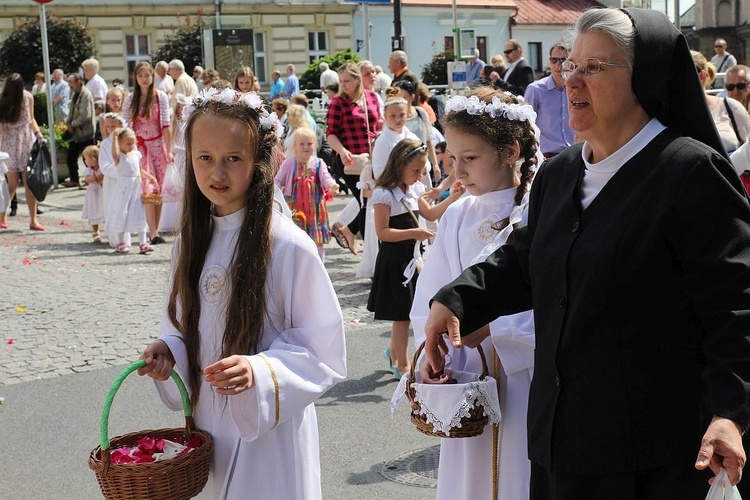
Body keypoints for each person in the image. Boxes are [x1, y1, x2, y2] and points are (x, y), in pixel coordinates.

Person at [423, 8, 750, 497]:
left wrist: (731, 413)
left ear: (644, 78)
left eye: (594, 67)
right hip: (561, 442)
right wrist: (456, 299)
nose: (571, 80)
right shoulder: (560, 173)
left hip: (651, 453)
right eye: (568, 65)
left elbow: (735, 305)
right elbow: (525, 257)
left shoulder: (687, 172)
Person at [136, 89, 346, 499]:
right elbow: (183, 325)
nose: (218, 171)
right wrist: (168, 350)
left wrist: (262, 371)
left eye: (233, 158)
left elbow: (323, 349)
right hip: (209, 424)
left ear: (259, 162)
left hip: (268, 429)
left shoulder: (288, 246)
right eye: (205, 157)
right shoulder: (189, 243)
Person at [411, 86, 539, 500]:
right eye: (452, 159)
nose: (458, 171)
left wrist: (492, 329)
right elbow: (432, 295)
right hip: (465, 377)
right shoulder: (457, 216)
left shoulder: (537, 208)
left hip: (525, 379)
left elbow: (548, 293)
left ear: (509, 151)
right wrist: (429, 350)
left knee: (520, 472)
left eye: (470, 158)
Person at [369, 138, 463, 377]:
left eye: (422, 171)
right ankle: (402, 363)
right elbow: (383, 232)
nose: (420, 176)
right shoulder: (384, 193)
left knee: (408, 311)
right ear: (399, 165)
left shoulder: (414, 189)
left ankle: (394, 354)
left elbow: (430, 212)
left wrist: (452, 197)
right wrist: (415, 233)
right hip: (395, 259)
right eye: (416, 171)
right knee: (402, 316)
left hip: (412, 258)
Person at [358, 89, 422, 278]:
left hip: (409, 192)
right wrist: (398, 182)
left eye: (401, 115)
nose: (398, 119)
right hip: (391, 194)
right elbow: (379, 171)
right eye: (392, 116)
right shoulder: (383, 140)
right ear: (385, 117)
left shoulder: (411, 136)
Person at [326, 62, 382, 248]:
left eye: (347, 81)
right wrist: (342, 150)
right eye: (341, 81)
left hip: (373, 158)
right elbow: (330, 133)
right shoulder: (338, 103)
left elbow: (378, 125)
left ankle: (350, 231)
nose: (343, 85)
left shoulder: (371, 97)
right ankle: (368, 248)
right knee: (366, 201)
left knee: (370, 202)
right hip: (349, 161)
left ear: (357, 80)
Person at [122, 61, 173, 245]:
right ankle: (152, 232)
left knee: (159, 191)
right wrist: (128, 149)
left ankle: (155, 229)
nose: (144, 79)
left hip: (158, 146)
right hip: (140, 148)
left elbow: (166, 125)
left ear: (152, 77)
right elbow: (126, 126)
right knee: (148, 189)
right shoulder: (130, 99)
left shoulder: (160, 97)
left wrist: (169, 150)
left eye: (147, 75)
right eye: (140, 75)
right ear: (135, 78)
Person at [275, 126, 339, 261]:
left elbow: (326, 178)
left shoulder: (318, 163)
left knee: (317, 239)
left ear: (315, 145)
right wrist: (272, 192)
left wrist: (332, 185)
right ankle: (296, 263)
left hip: (315, 210)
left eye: (309, 144)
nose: (306, 147)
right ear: (295, 146)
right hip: (295, 209)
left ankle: (318, 263)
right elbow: (278, 181)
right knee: (295, 237)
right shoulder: (288, 163)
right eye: (302, 144)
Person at [0, 73, 45, 230]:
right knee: (12, 183)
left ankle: (33, 220)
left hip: (26, 141)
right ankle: (3, 214)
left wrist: (38, 133)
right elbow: (0, 125)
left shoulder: (27, 97)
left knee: (29, 183)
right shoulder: (2, 99)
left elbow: (31, 118)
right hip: (10, 143)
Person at [524, 42, 575, 158]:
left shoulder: (577, 89)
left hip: (574, 154)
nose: (558, 65)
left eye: (563, 60)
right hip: (546, 157)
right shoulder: (535, 89)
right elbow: (527, 126)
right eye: (554, 60)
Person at [694, 51, 750, 155]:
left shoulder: (731, 107)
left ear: (702, 76)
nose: (735, 91)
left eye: (741, 86)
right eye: (730, 87)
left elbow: (747, 149)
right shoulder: (666, 115)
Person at [109, 127, 155, 254]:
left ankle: (143, 242)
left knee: (139, 212)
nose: (131, 146)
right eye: (128, 143)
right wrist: (114, 138)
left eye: (132, 143)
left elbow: (139, 170)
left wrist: (150, 177)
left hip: (136, 187)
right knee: (122, 212)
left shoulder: (136, 155)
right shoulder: (119, 157)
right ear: (120, 144)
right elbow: (114, 153)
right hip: (124, 188)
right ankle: (120, 242)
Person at [392, 80, 440, 181]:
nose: (401, 101)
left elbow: (429, 140)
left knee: (424, 194)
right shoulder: (393, 119)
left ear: (412, 97)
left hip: (423, 167)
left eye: (404, 97)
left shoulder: (421, 113)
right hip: (402, 168)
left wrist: (435, 165)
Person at [99, 112, 128, 248]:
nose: (110, 129)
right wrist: (118, 172)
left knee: (125, 209)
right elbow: (104, 166)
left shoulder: (127, 141)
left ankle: (125, 238)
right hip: (112, 181)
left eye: (113, 126)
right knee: (112, 208)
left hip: (126, 181)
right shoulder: (105, 144)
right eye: (108, 127)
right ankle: (115, 239)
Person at [64, 73, 96, 189]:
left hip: (85, 132)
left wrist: (73, 124)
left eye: (71, 82)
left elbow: (85, 116)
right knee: (71, 158)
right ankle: (74, 180)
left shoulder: (85, 94)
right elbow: (71, 111)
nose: (69, 85)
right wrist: (68, 123)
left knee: (87, 158)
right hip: (76, 133)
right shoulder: (75, 94)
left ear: (78, 82)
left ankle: (90, 180)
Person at [81, 145, 104, 243]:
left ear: (92, 159)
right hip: (93, 194)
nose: (85, 161)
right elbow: (87, 179)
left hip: (102, 192)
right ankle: (95, 231)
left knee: (104, 210)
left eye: (85, 159)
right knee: (93, 211)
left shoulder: (102, 168)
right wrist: (94, 177)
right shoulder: (89, 170)